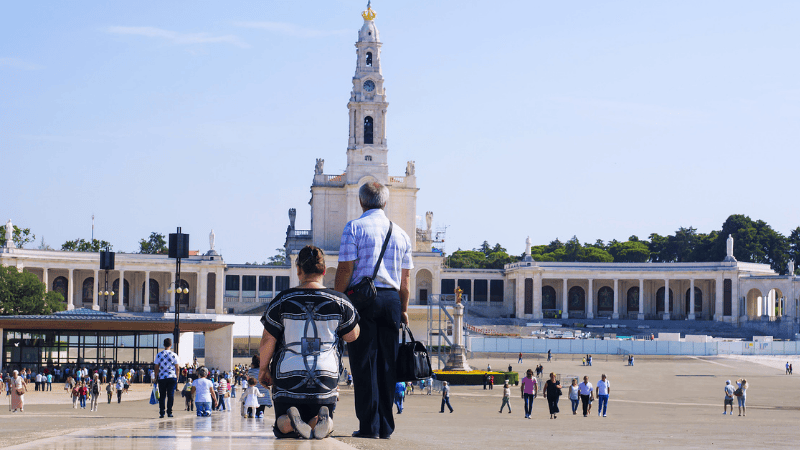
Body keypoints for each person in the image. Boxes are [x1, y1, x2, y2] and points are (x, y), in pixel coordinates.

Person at [334, 182, 413, 440]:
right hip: (391, 299)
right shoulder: (401, 234)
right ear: (385, 203)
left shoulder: (354, 227)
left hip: (363, 299)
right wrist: (403, 309)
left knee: (363, 362)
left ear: (361, 202)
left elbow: (345, 269)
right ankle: (387, 426)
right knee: (388, 364)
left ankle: (369, 425)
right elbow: (405, 282)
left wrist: (339, 300)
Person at [261, 245, 360, 440]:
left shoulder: (282, 300)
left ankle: (290, 420)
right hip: (326, 375)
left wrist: (264, 369)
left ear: (298, 270)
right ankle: (323, 420)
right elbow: (352, 336)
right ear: (324, 271)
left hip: (288, 374)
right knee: (318, 421)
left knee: (281, 425)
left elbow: (267, 340)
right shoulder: (340, 301)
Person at [154, 337, 180, 418]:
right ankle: (169, 412)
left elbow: (156, 367)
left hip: (162, 377)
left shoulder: (159, 354)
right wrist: (177, 377)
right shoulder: (174, 355)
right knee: (170, 395)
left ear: (163, 344)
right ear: (171, 345)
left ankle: (162, 412)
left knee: (162, 395)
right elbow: (177, 367)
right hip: (172, 376)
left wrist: (155, 377)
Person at [248, 355, 272, 419]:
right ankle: (261, 412)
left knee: (252, 400)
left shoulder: (250, 371)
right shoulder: (263, 371)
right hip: (263, 390)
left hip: (254, 391)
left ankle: (252, 412)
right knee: (262, 400)